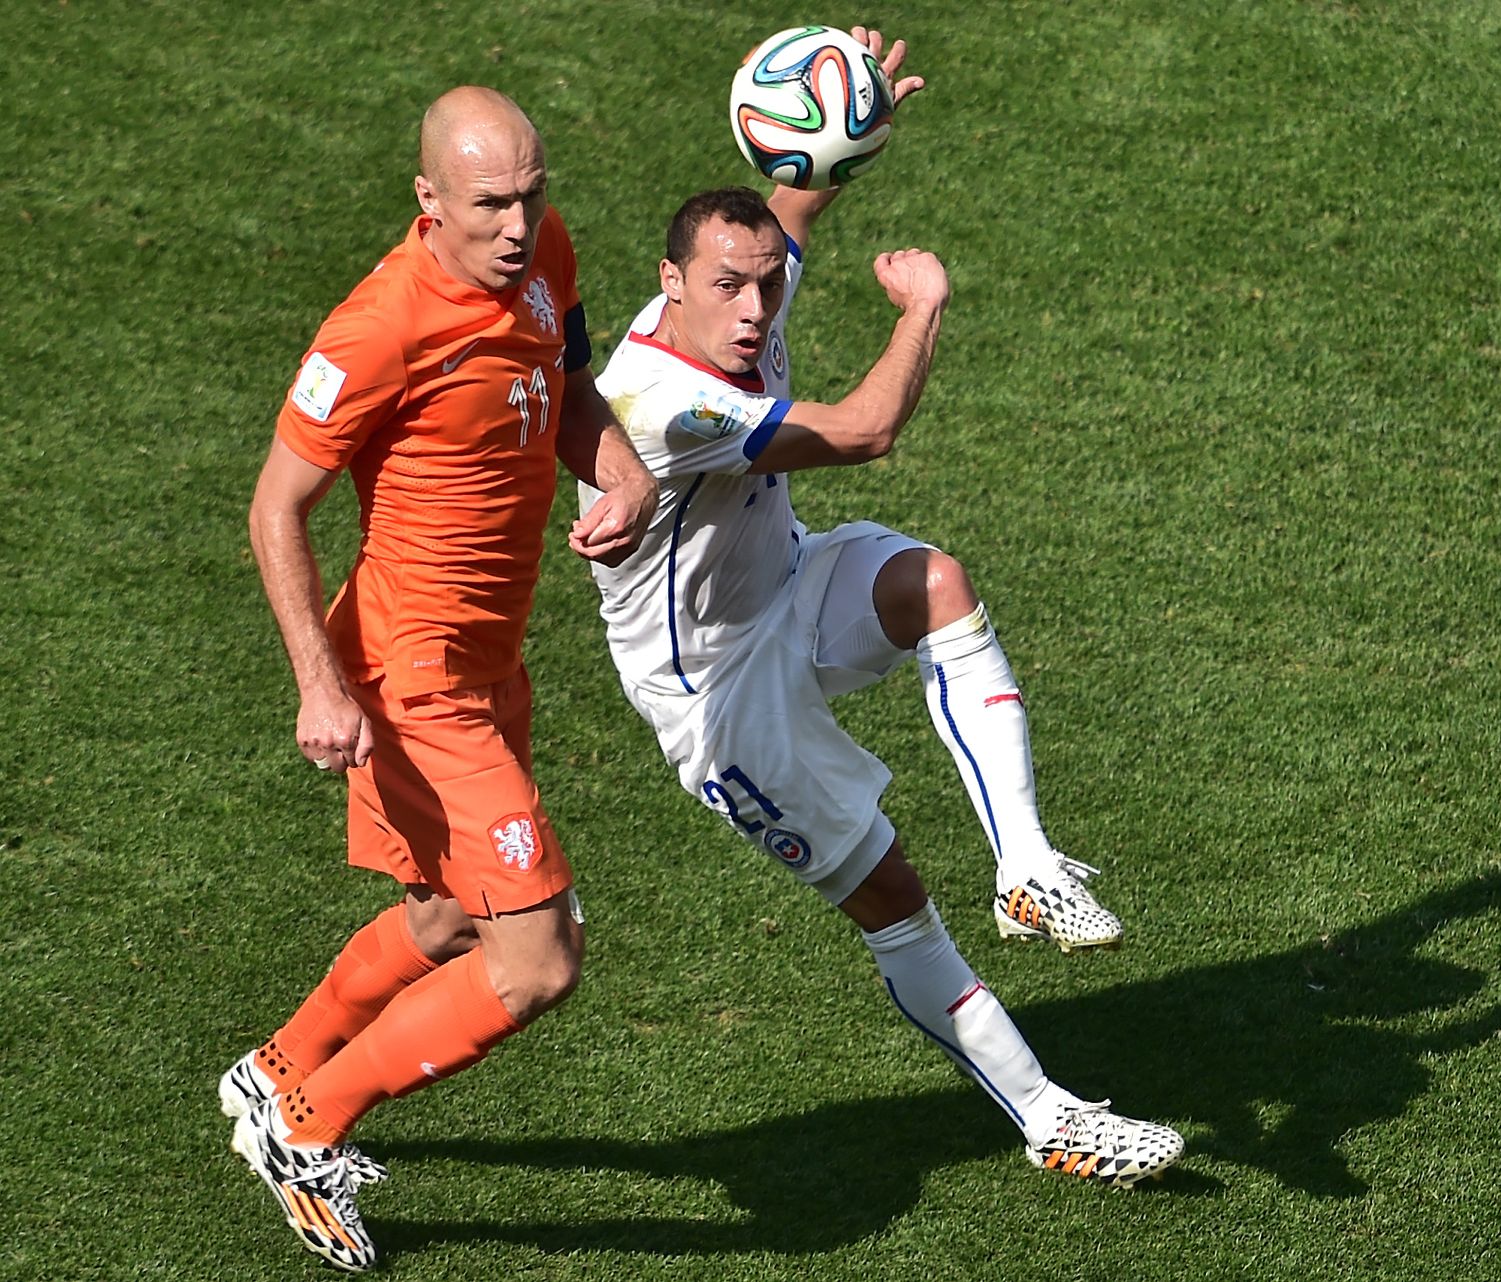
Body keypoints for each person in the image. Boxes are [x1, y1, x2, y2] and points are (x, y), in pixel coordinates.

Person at [578, 29, 1182, 1186]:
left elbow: (787, 215)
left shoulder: (744, 290)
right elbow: (867, 431)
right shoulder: (663, 397)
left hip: (788, 585)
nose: (756, 308)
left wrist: (841, 126)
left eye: (762, 286)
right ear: (670, 286)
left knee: (933, 580)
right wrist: (924, 305)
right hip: (716, 700)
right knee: (896, 901)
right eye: (728, 288)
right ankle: (1050, 1117)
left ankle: (1028, 865)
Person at [222, 86, 656, 1273]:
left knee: (453, 911)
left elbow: (564, 389)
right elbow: (275, 507)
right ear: (428, 201)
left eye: (532, 194)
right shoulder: (377, 328)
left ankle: (273, 1071)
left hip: (486, 658)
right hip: (411, 677)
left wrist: (622, 472)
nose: (518, 227)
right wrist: (320, 681)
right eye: (488, 206)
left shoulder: (542, 257)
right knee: (536, 958)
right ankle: (307, 1131)